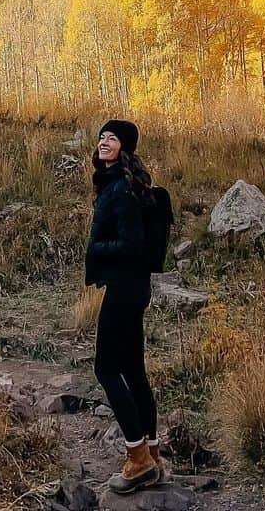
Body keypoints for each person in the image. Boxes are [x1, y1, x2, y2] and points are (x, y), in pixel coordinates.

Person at [85, 119, 164, 493]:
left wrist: (95, 250)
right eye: (101, 137)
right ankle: (152, 452)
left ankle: (137, 459)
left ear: (125, 147)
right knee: (134, 370)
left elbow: (130, 244)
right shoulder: (127, 185)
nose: (103, 142)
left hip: (124, 288)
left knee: (105, 369)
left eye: (111, 138)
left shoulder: (119, 189)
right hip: (137, 287)